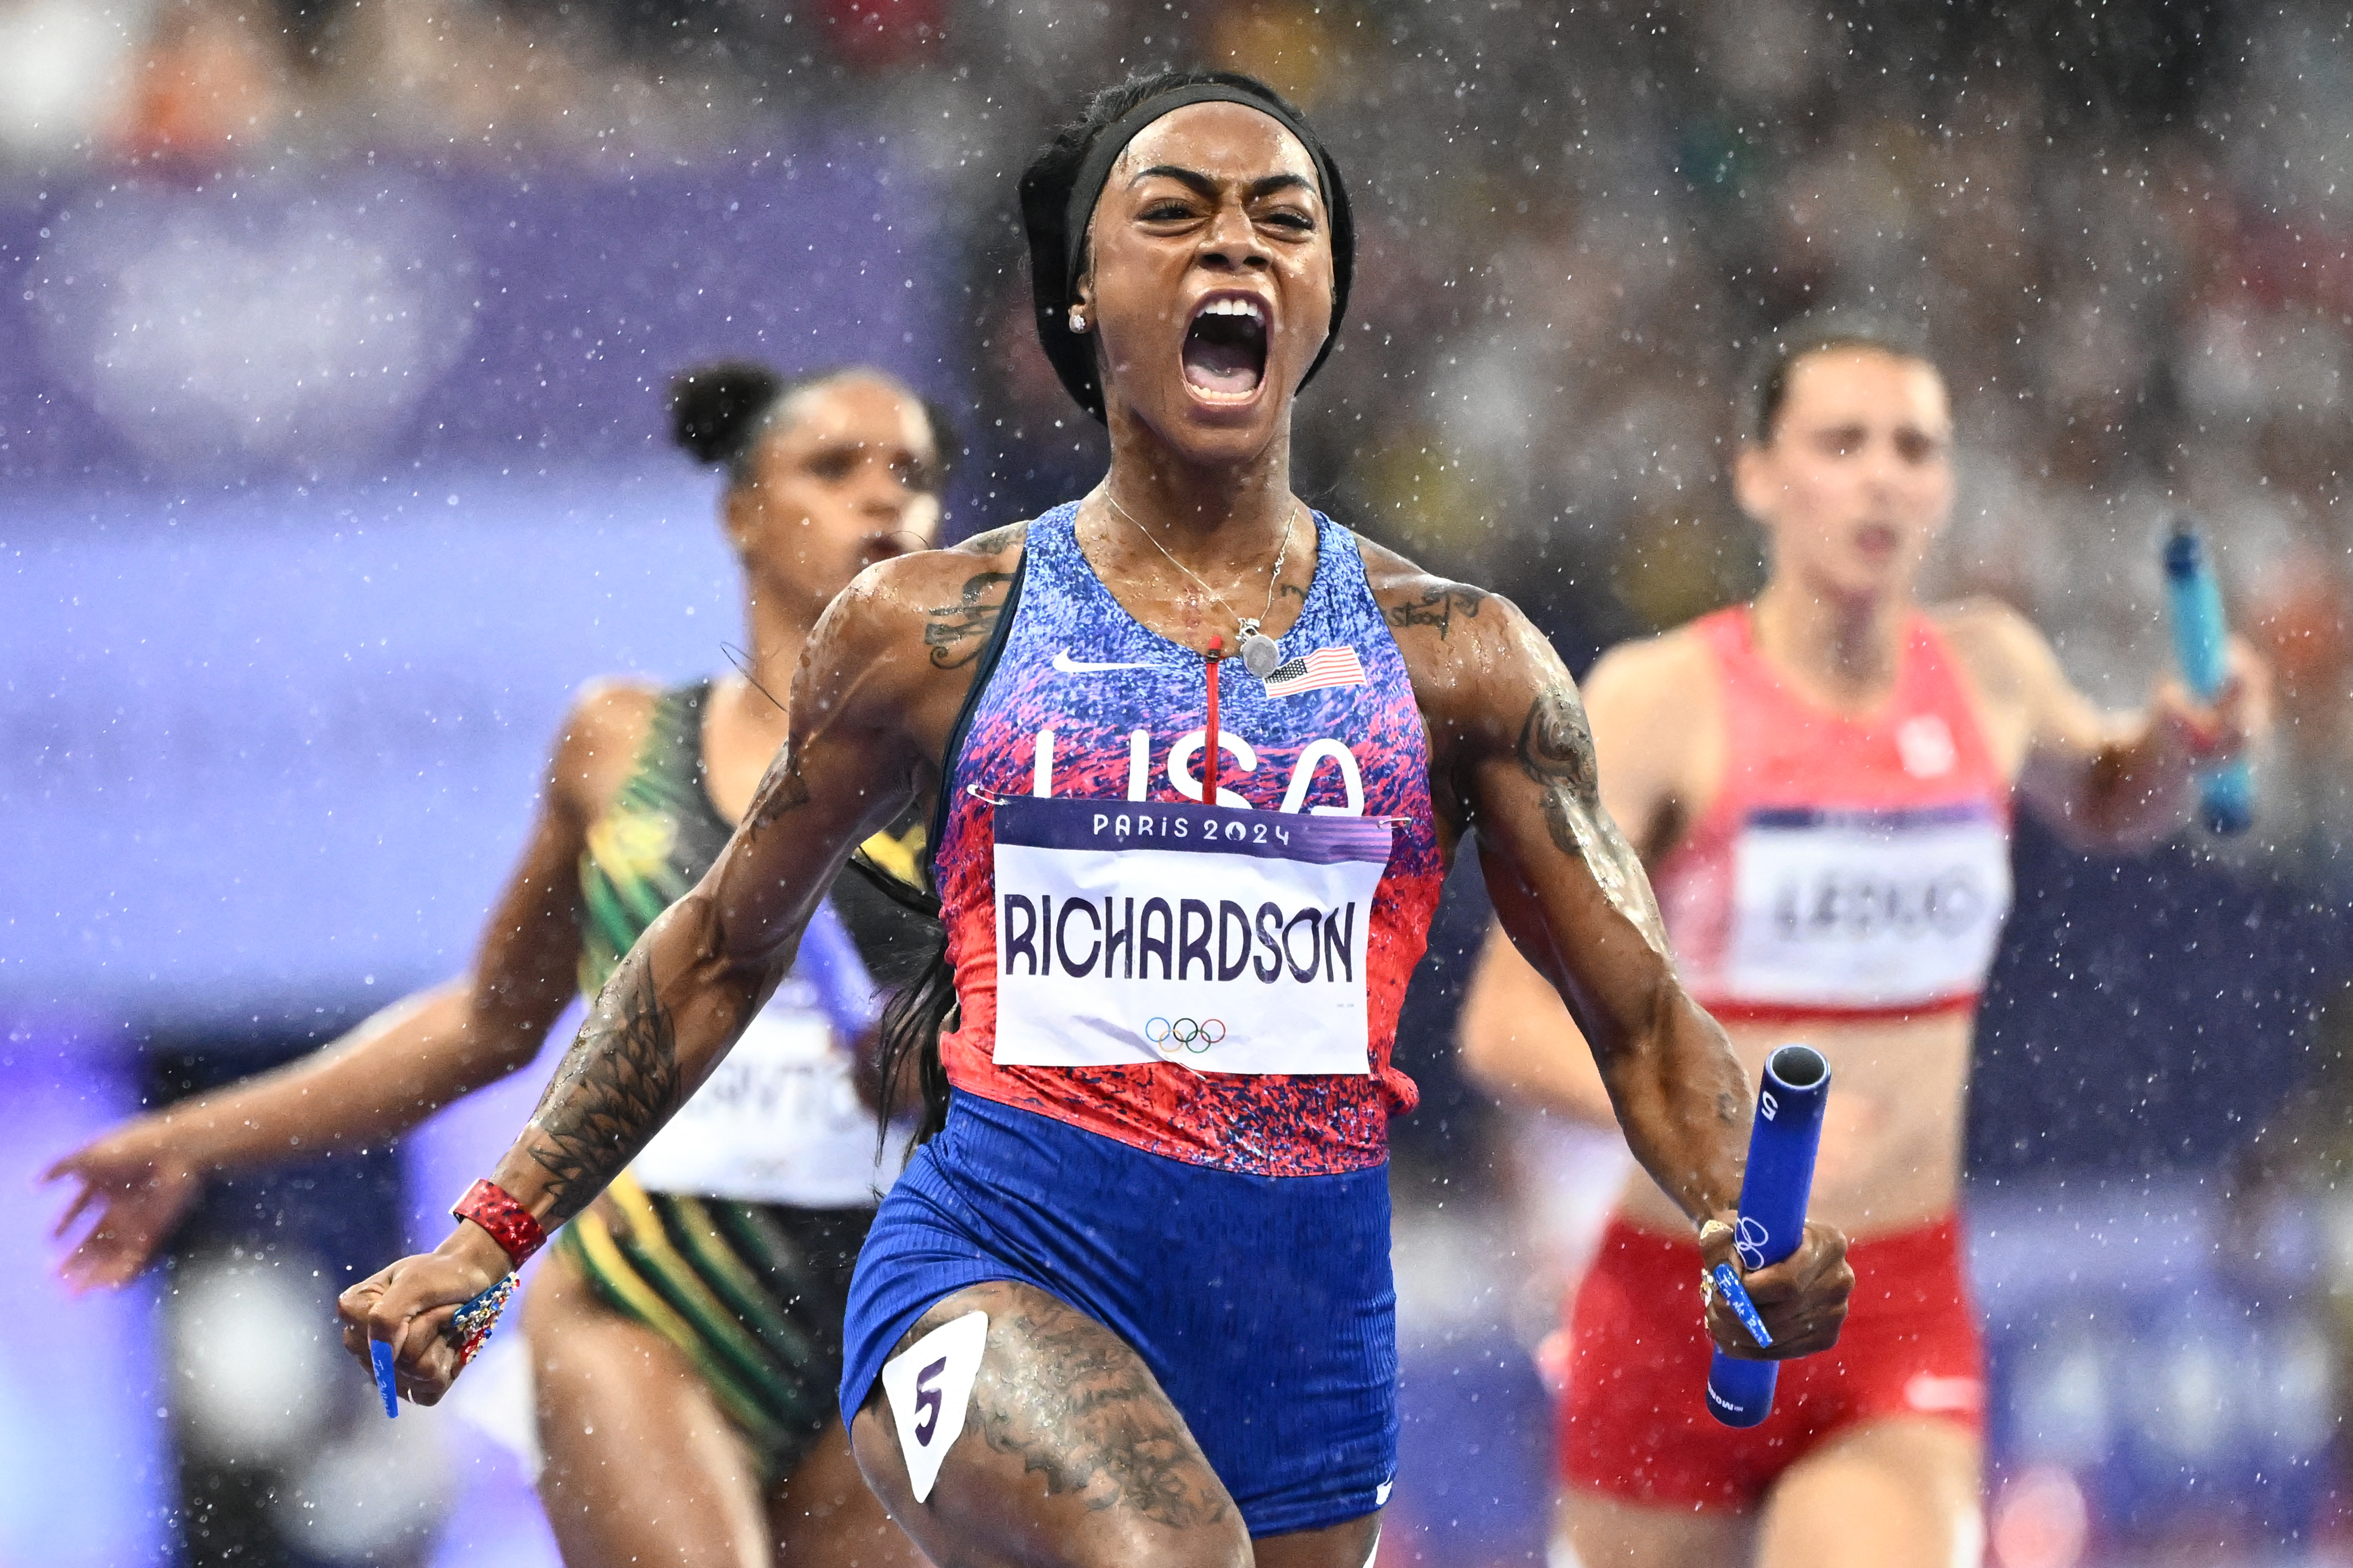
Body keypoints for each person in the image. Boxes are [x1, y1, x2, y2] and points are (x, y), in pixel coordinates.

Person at [334, 69, 1855, 1568]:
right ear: (1078, 298)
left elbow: (1644, 1016)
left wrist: (1748, 1216)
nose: (1236, 247)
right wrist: (491, 1233)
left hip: (1308, 1347)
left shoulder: (1462, 658)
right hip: (990, 1277)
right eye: (1177, 215)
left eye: (1281, 220)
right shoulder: (927, 630)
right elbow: (721, 946)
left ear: (1322, 296)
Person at [46, 360, 946, 1568]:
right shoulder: (619, 745)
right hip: (645, 1305)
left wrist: (934, 1072)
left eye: (913, 475)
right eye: (832, 468)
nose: (881, 505)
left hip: (881, 1303)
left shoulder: (979, 767)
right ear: (740, 511)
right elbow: (487, 1023)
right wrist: (189, 1139)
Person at [1457, 321, 2270, 1568]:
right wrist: (1735, 1134)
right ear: (1757, 473)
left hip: (1894, 1313)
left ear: (1945, 486)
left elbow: (2109, 796)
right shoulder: (1658, 701)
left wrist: (2171, 742)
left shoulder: (1989, 668)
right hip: (1682, 1303)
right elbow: (1504, 1025)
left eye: (1913, 448)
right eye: (1840, 443)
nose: (1881, 477)